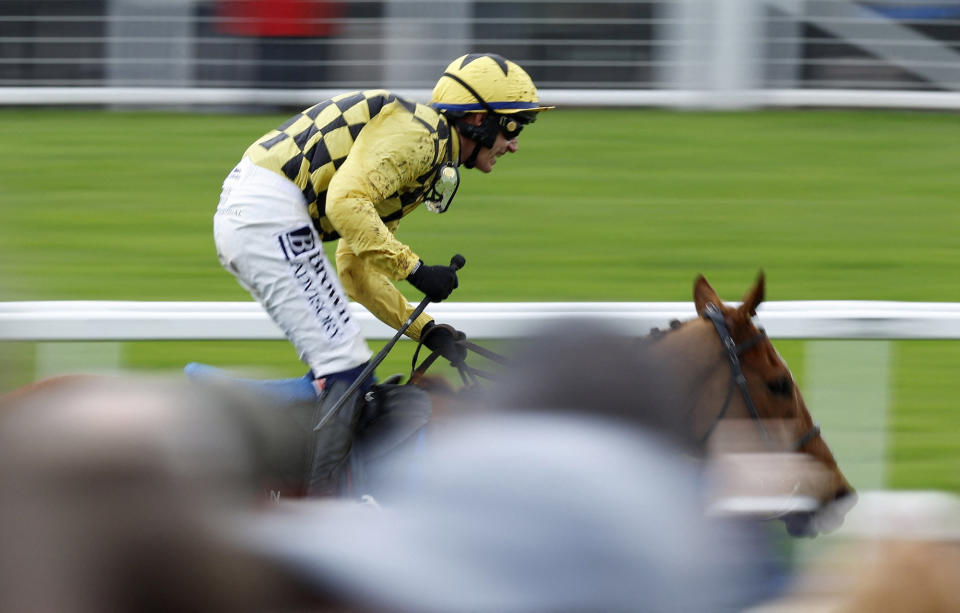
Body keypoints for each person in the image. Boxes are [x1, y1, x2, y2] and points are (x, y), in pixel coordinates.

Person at [209, 53, 553, 496]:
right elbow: (344, 203)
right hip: (268, 213)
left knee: (346, 362)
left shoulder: (427, 148)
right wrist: (414, 269)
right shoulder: (418, 136)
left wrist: (426, 330)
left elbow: (354, 270)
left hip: (264, 213)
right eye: (512, 127)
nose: (514, 143)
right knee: (345, 362)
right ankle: (322, 505)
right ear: (476, 119)